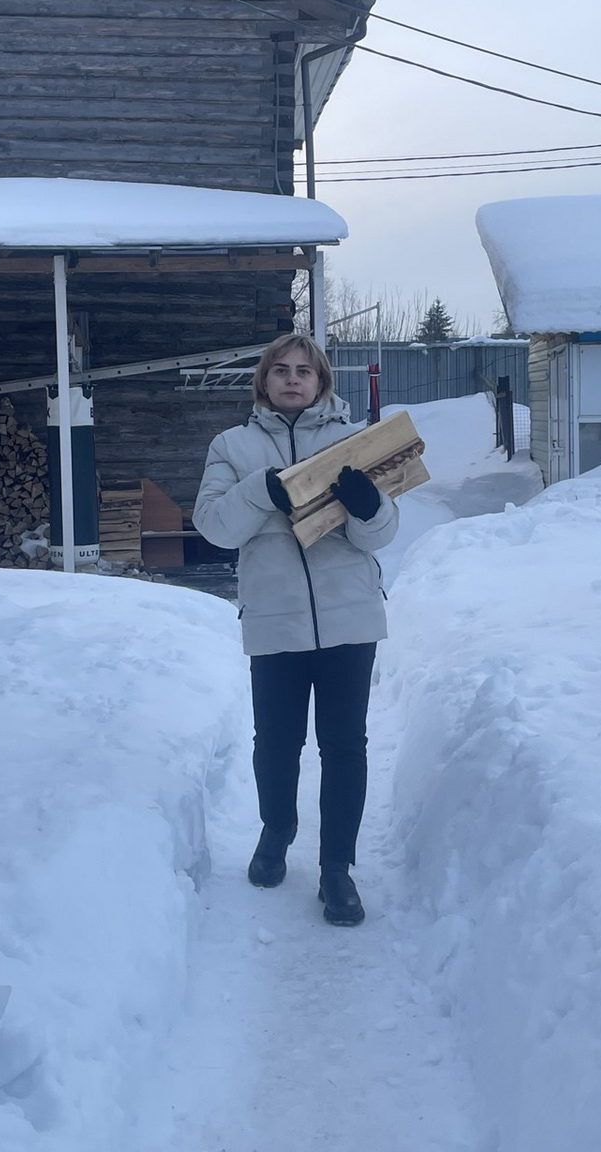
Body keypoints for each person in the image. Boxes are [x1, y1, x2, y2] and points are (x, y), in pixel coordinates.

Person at [193, 332, 398, 926]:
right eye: (280, 370)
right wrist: (260, 490)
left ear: (321, 381)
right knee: (277, 743)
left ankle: (337, 868)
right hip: (274, 619)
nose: (291, 379)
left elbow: (382, 533)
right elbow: (214, 527)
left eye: (303, 371)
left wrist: (368, 506)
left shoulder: (354, 441)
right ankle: (277, 831)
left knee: (344, 746)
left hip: (349, 619)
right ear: (264, 380)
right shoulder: (232, 446)